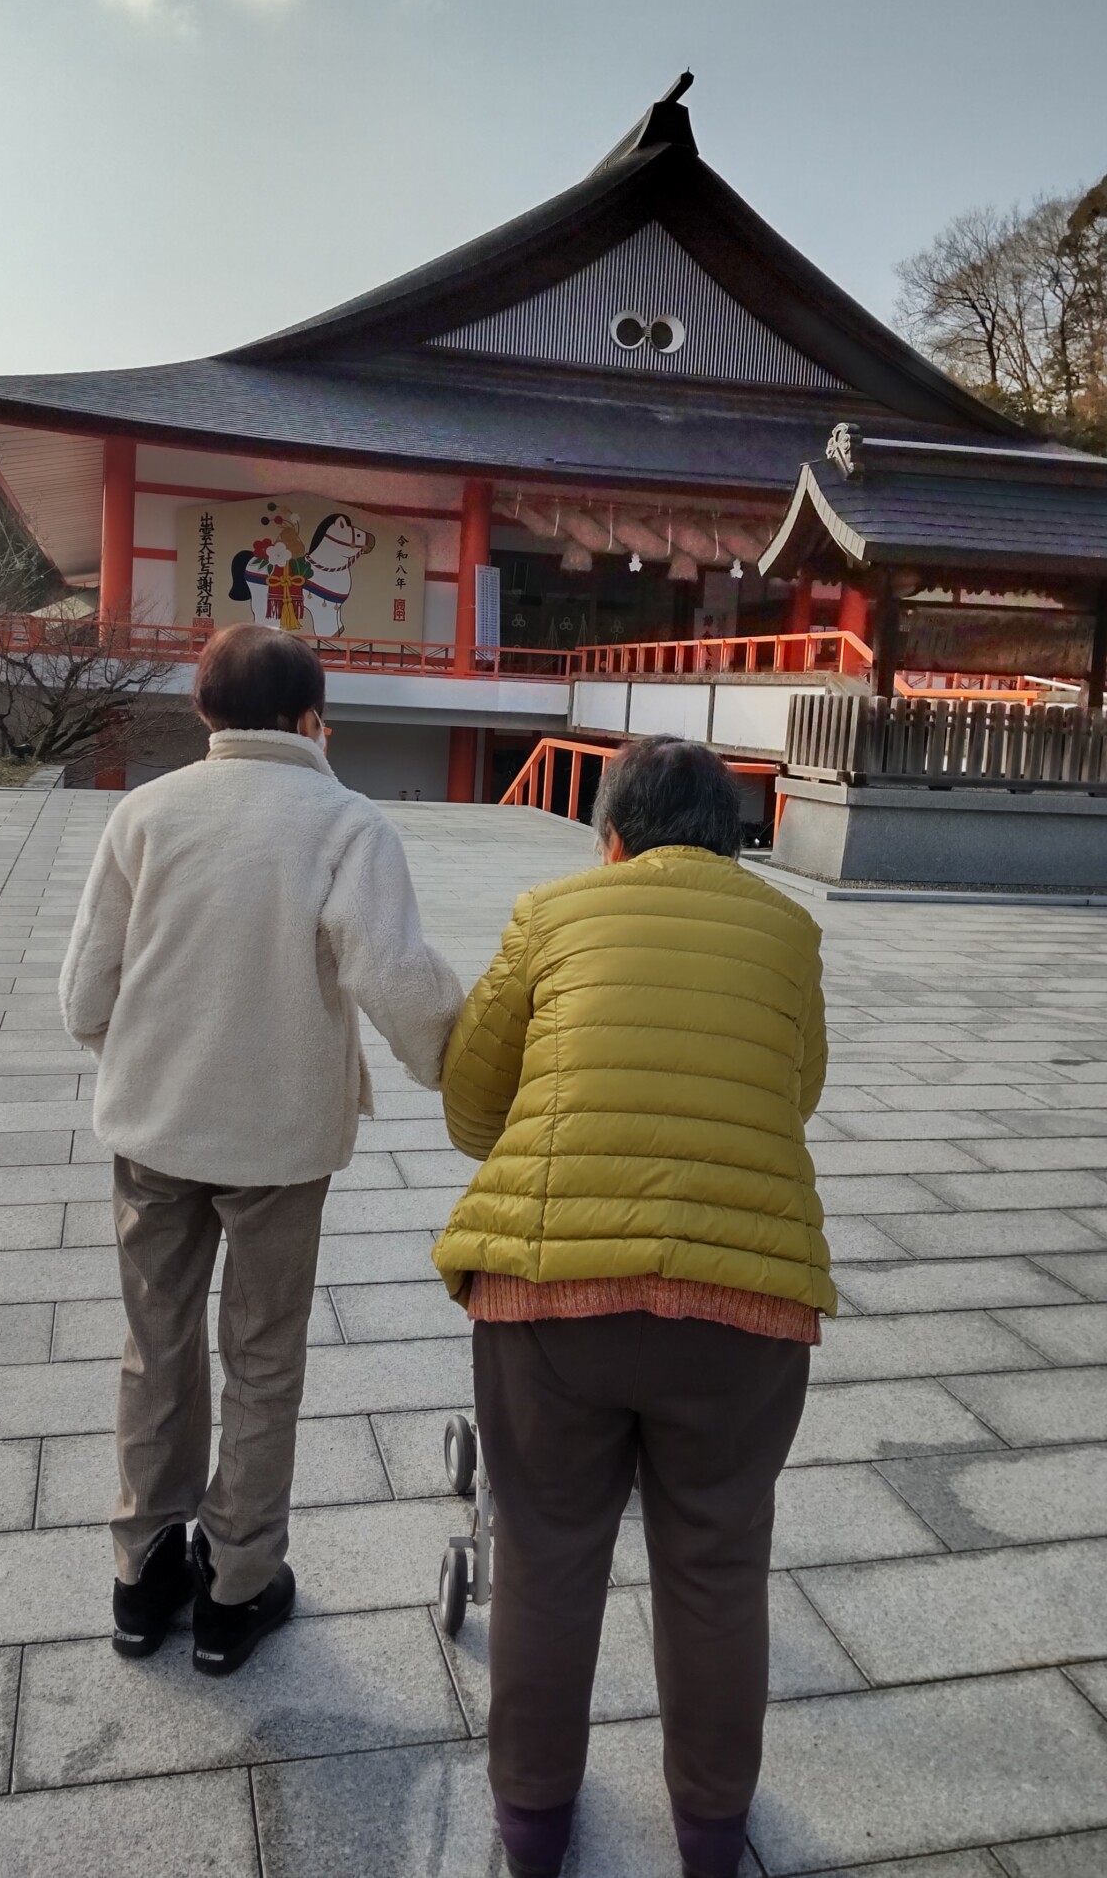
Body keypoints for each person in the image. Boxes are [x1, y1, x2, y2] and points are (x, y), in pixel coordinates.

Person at [432, 736, 833, 1878]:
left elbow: (472, 1103)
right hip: (745, 1302)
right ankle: (709, 1836)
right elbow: (795, 1091)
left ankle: (531, 1829)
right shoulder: (788, 930)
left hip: (550, 1292)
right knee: (717, 1564)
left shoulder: (552, 911)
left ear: (611, 836)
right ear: (733, 840)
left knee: (549, 1555)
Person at [59, 624, 463, 1676]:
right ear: (310, 717)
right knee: (264, 1355)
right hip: (280, 1140)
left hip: (153, 1129)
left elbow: (84, 992)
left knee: (156, 1342)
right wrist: (460, 1063)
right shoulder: (346, 822)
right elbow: (394, 975)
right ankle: (235, 1587)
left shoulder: (144, 813)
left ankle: (142, 1574)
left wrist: (142, 1057)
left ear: (205, 712)